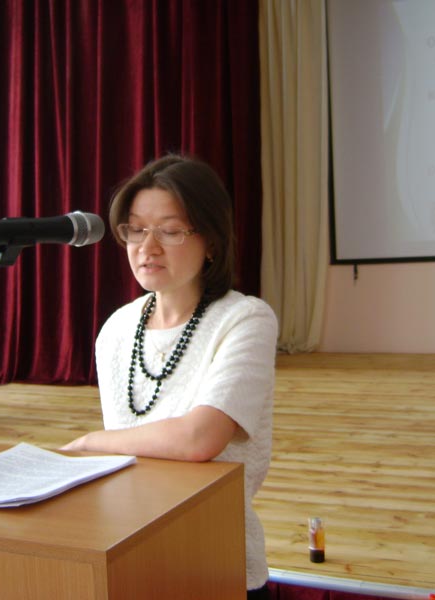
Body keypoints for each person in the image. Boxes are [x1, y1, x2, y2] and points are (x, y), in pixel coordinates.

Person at [62, 154, 278, 598]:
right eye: (136, 229)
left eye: (170, 230)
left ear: (211, 241)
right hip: (131, 551)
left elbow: (200, 438)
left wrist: (88, 443)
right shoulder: (116, 330)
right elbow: (127, 459)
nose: (148, 246)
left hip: (216, 556)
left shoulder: (246, 319)